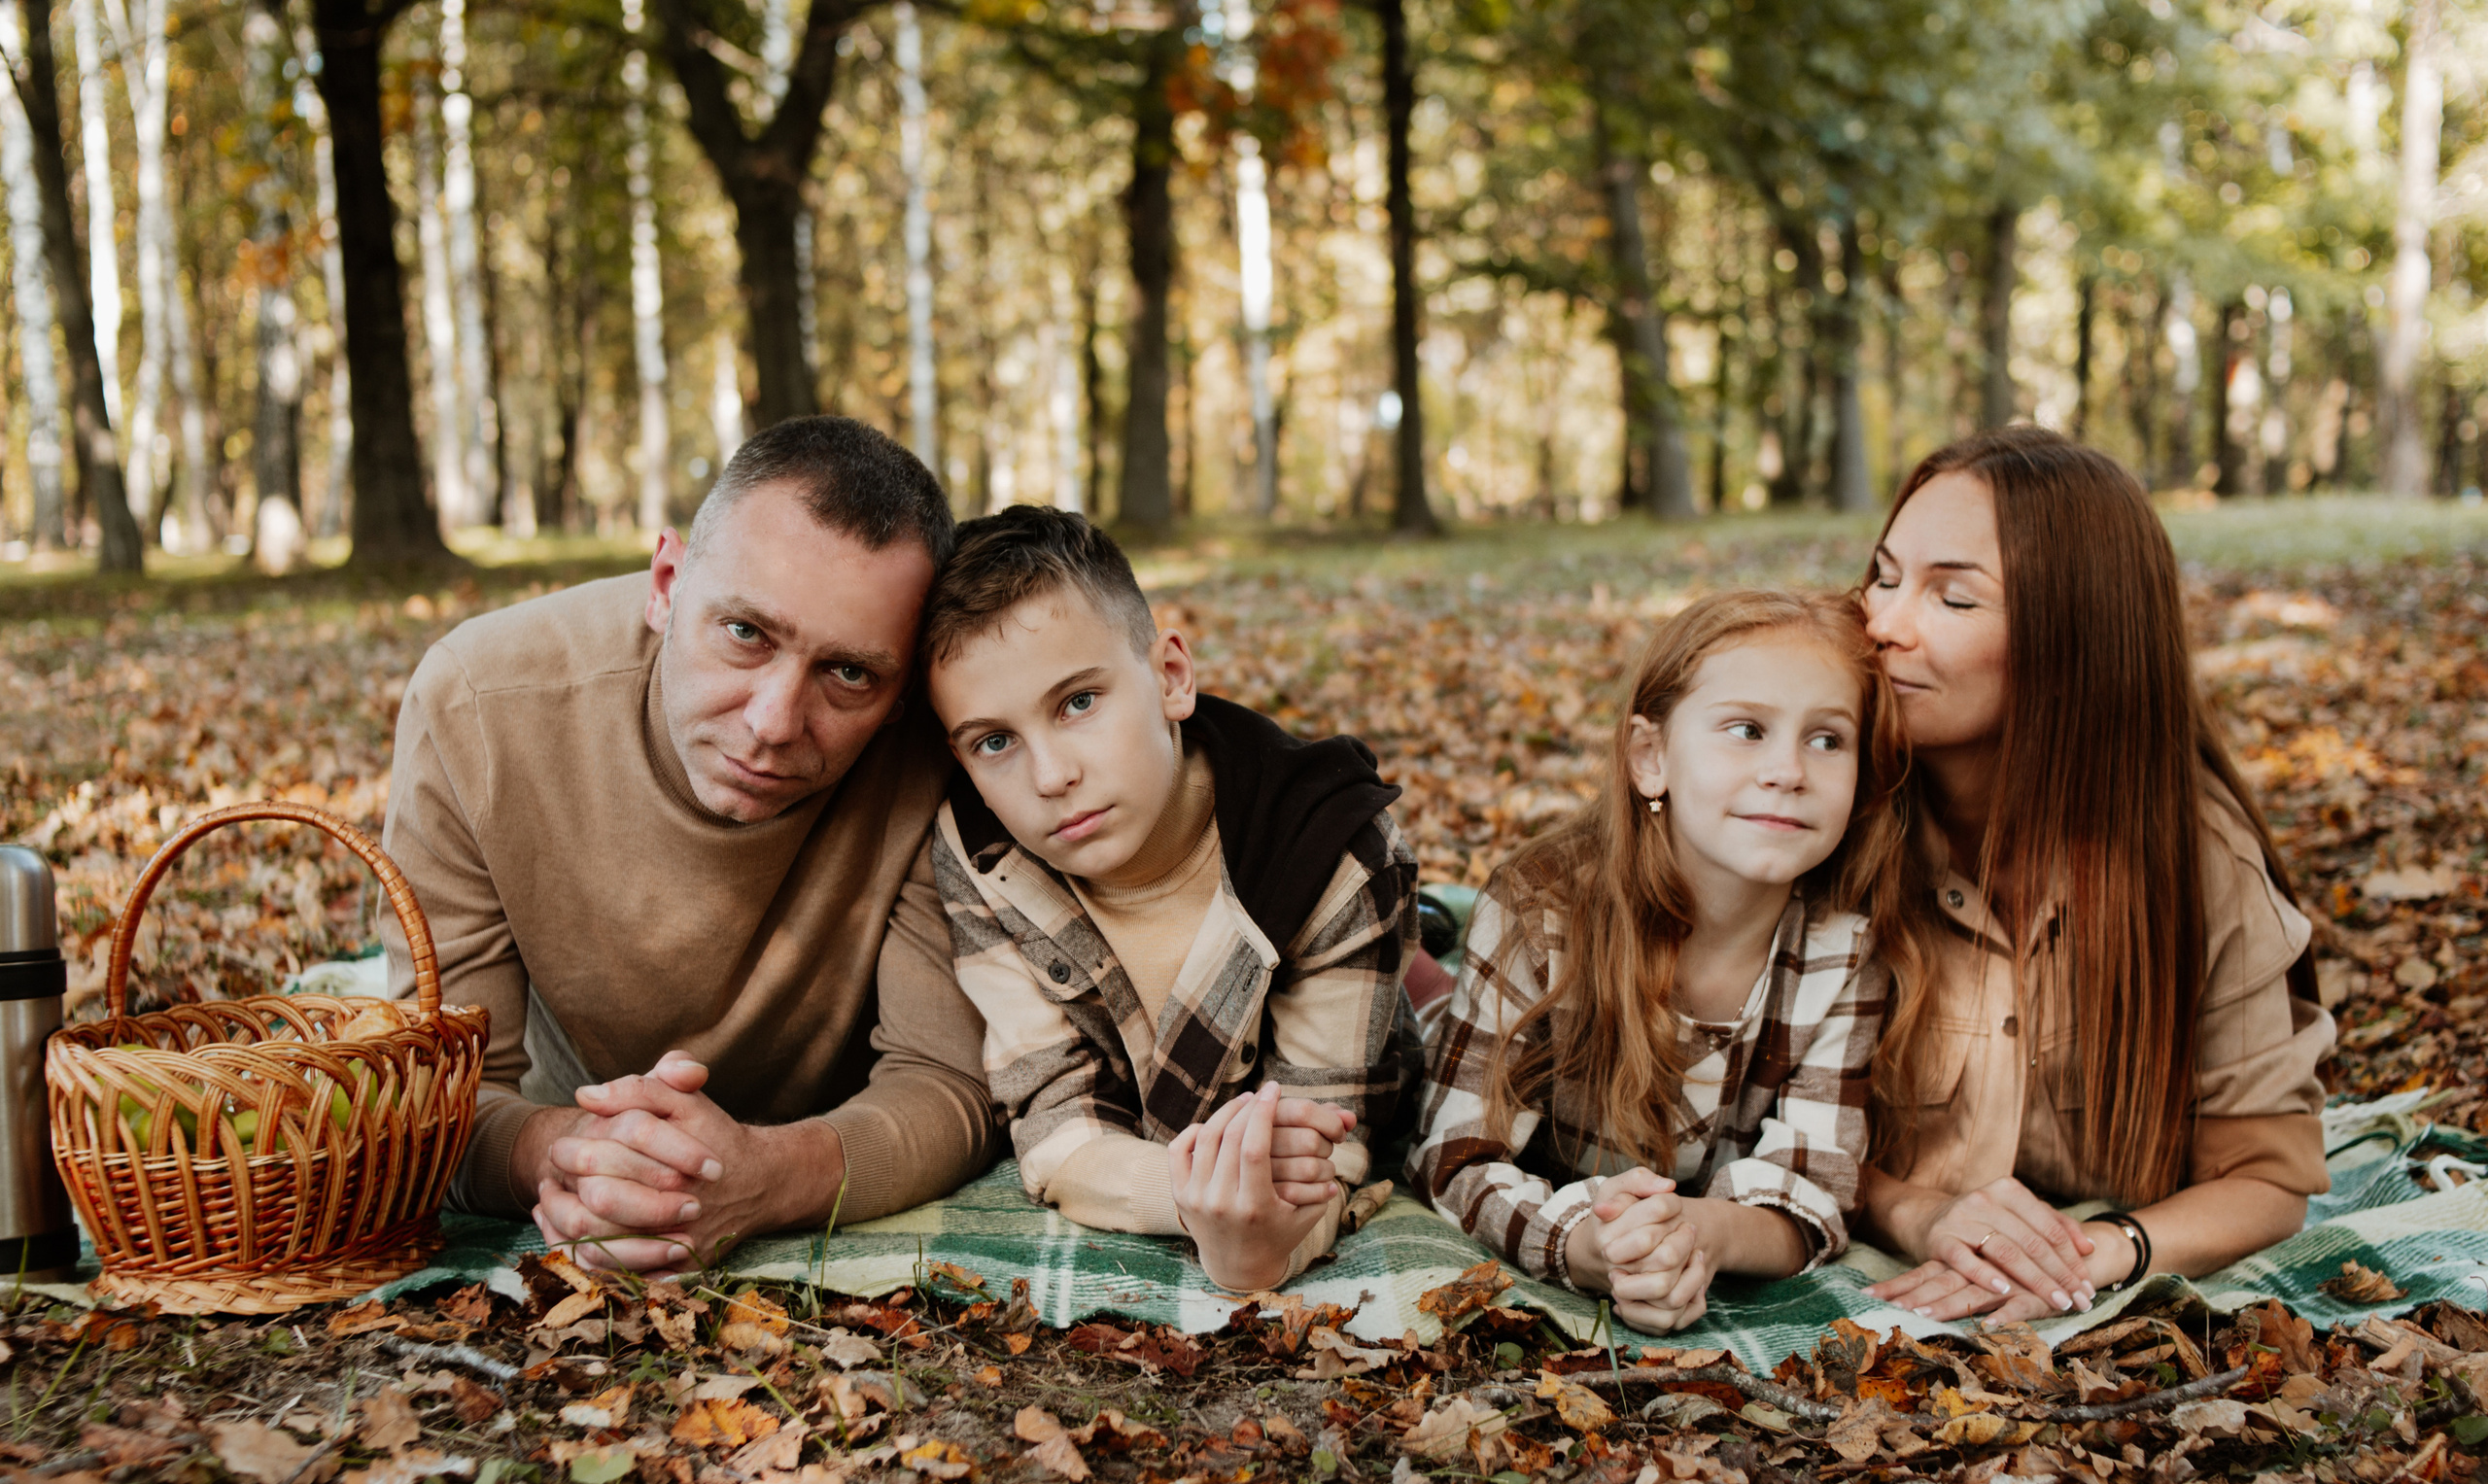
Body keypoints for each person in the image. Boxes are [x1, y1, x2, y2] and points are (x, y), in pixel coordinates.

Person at [380, 417, 999, 1273]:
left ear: (899, 690)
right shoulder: (476, 706)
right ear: (666, 581)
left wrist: (764, 1178)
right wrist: (568, 1156)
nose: (774, 724)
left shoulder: (948, 733)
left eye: (849, 674)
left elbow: (949, 1083)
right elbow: (436, 1098)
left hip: (835, 1113)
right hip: (579, 1108)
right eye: (746, 634)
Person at [1856, 428, 2335, 1328]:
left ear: (2073, 639)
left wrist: (2095, 1252)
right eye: (1884, 577)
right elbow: (1737, 1122)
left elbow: (2268, 1177)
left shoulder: (2193, 862)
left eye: (1952, 597)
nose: (1884, 622)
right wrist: (1920, 1215)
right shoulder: (1823, 819)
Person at [921, 506, 1418, 1294]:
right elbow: (1054, 1125)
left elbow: (1327, 1148)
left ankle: (1422, 967)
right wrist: (1193, 1204)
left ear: (1171, 678)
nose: (1050, 777)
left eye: (1078, 702)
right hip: (1193, 1134)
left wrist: (1259, 1245)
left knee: (1418, 996)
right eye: (995, 741)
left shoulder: (1338, 854)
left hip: (1321, 972)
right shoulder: (983, 852)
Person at [1408, 591, 1925, 1334]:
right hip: (1524, 1089)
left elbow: (1814, 1188)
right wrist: (1581, 1247)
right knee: (1424, 1020)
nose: (1788, 770)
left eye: (1827, 740)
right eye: (1747, 730)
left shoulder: (1842, 951)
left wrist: (1700, 1234)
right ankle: (1414, 954)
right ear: (1651, 758)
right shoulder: (1542, 908)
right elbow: (1454, 1156)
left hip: (1678, 1202)